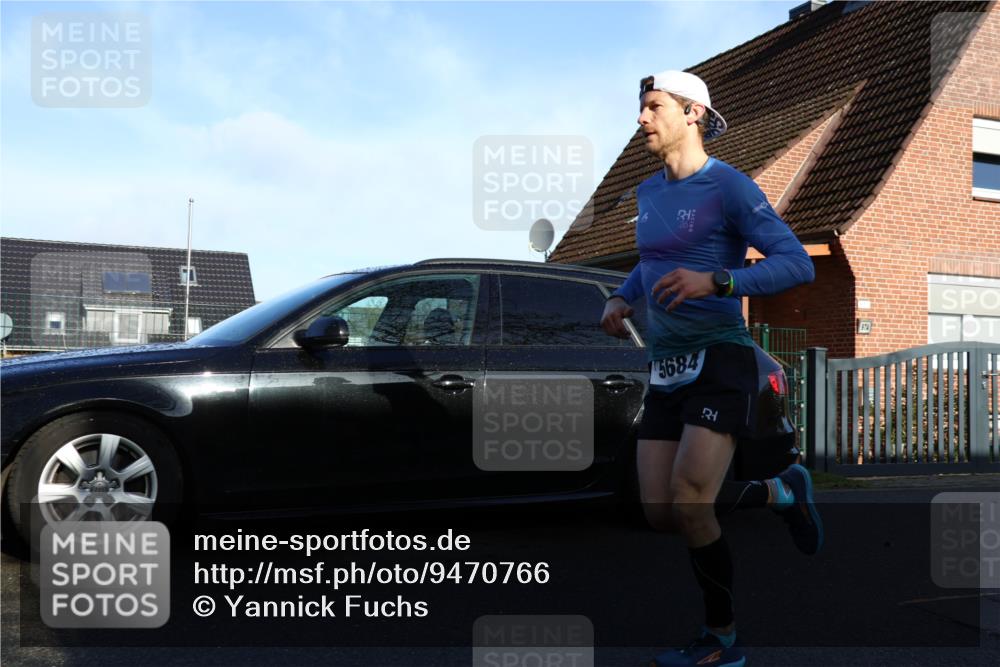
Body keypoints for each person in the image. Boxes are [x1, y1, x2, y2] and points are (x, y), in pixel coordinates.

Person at [599, 70, 823, 667]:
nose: (641, 119)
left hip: (722, 356)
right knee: (660, 511)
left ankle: (721, 639)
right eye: (641, 108)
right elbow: (651, 264)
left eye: (652, 107)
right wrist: (621, 296)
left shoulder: (730, 187)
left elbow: (797, 264)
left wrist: (720, 278)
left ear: (692, 113)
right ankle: (778, 490)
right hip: (666, 364)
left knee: (691, 500)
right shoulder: (648, 194)